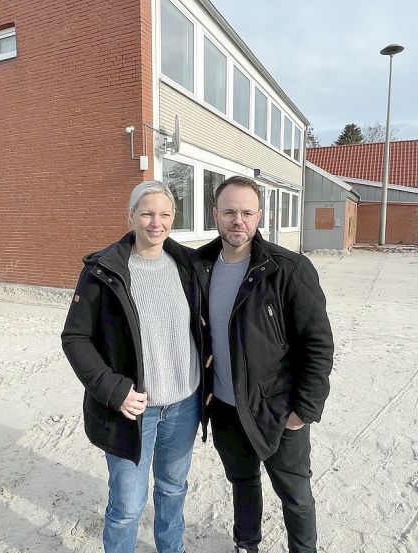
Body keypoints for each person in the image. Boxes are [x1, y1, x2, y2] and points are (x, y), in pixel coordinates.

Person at [61, 180, 208, 553]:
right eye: (146, 213)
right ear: (130, 216)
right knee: (127, 506)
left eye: (164, 214)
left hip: (184, 405)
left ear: (174, 217)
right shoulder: (103, 270)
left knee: (173, 491)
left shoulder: (188, 266)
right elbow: (75, 338)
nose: (155, 222)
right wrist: (114, 390)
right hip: (132, 412)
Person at [196, 176, 334, 553]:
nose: (237, 220)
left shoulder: (288, 268)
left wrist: (303, 411)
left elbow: (318, 344)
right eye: (228, 212)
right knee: (242, 481)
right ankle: (246, 544)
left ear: (259, 216)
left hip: (277, 406)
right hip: (225, 407)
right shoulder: (199, 267)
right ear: (215, 215)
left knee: (295, 492)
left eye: (245, 212)